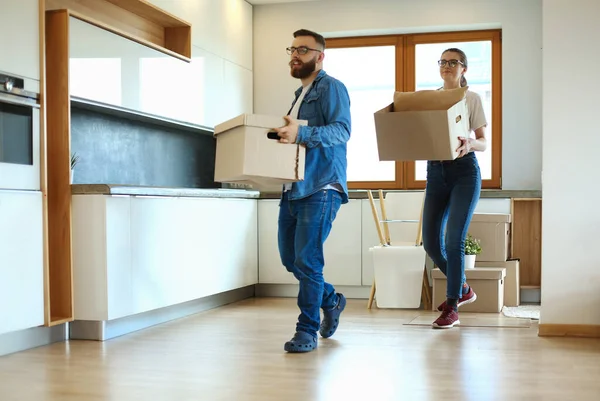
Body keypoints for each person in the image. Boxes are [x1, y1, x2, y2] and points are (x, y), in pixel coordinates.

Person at [273, 28, 351, 352]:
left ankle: (307, 331)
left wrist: (300, 135)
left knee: (308, 260)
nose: (295, 54)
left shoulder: (332, 87)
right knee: (291, 259)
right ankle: (330, 300)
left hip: (321, 186)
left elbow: (341, 130)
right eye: (292, 48)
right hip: (294, 189)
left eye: (303, 50)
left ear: (320, 57)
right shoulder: (299, 95)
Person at [422, 48, 488, 329]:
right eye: (443, 62)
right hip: (436, 172)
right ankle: (462, 288)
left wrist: (470, 142)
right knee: (430, 242)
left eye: (453, 62)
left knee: (453, 240)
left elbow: (484, 142)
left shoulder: (471, 98)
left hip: (464, 172)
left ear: (464, 69)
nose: (447, 66)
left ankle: (452, 306)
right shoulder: (430, 99)